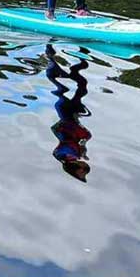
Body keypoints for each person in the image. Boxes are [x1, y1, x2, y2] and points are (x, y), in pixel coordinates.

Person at [45, 44, 91, 183]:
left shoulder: (62, 155)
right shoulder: (74, 155)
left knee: (60, 86)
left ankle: (49, 51)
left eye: (82, 172)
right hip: (72, 115)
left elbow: (68, 141)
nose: (85, 169)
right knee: (82, 86)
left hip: (65, 113)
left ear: (77, 170)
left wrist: (82, 149)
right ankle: (83, 51)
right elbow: (81, 139)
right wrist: (83, 151)